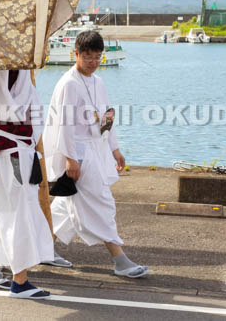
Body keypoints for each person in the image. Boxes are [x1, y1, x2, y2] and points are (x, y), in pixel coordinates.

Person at [43, 30, 149, 278]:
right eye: (88, 56)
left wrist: (115, 149)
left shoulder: (97, 82)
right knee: (102, 203)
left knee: (66, 206)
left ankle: (42, 248)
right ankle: (120, 259)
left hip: (96, 149)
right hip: (78, 151)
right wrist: (69, 158)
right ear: (76, 54)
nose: (93, 62)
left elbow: (106, 118)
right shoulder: (69, 84)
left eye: (97, 57)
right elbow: (65, 125)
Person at [0, 69, 54, 299]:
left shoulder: (11, 68)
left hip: (12, 150)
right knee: (18, 213)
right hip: (12, 153)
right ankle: (20, 281)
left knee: (8, 210)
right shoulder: (6, 68)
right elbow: (8, 111)